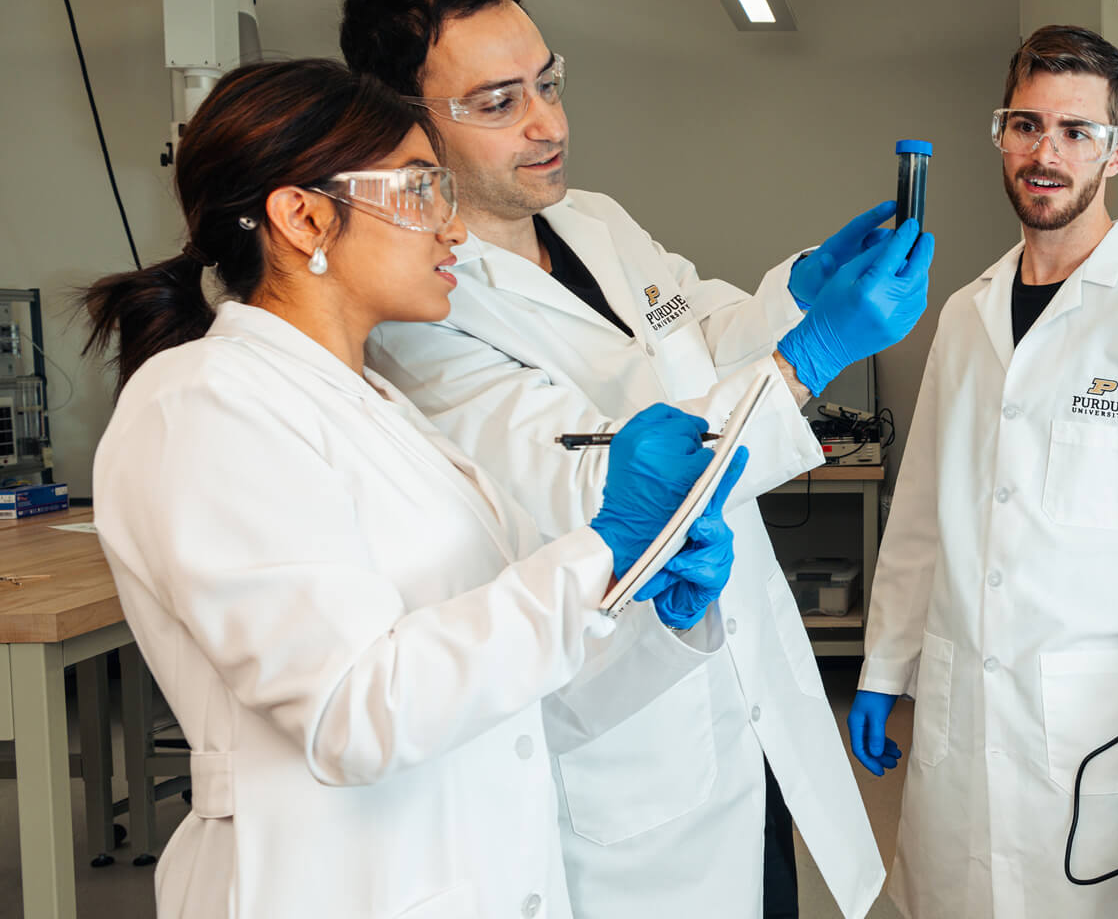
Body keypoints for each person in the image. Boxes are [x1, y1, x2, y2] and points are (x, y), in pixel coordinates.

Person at [339, 0, 932, 918]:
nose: (548, 125)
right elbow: (611, 485)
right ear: (403, 123)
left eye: (548, 83)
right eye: (497, 103)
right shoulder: (419, 321)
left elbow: (694, 334)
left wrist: (796, 298)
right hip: (619, 736)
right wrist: (811, 358)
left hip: (741, 697)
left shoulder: (592, 221)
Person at [84, 59, 742, 919]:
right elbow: (351, 710)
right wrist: (602, 550)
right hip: (326, 884)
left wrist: (650, 599)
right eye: (420, 189)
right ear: (302, 215)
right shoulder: (203, 403)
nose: (452, 229)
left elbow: (511, 675)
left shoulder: (381, 406)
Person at [847, 25, 1118, 918]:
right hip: (958, 727)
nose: (1046, 154)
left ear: (1117, 150)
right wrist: (883, 665)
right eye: (1027, 125)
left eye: (1076, 131)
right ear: (1000, 133)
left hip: (1089, 744)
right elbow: (922, 513)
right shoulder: (966, 317)